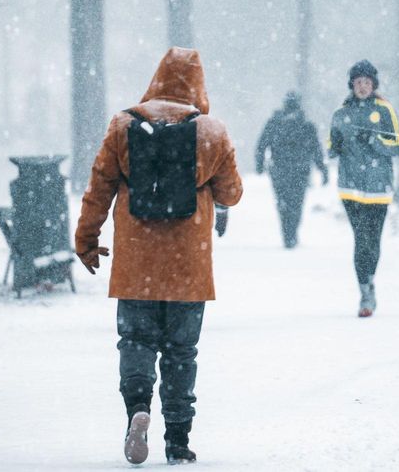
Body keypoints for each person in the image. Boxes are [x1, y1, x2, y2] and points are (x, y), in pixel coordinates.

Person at [74, 47, 243, 466]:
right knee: (181, 353)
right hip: (190, 266)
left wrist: (87, 239)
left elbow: (99, 187)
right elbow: (231, 194)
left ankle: (137, 410)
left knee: (135, 341)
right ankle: (179, 441)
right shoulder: (211, 132)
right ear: (198, 85)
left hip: (136, 265)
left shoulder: (123, 125)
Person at [328, 59, 399, 317]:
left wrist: (375, 141)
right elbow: (330, 147)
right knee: (361, 239)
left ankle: (369, 278)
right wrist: (334, 147)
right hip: (350, 188)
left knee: (373, 240)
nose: (362, 87)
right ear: (352, 85)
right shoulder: (340, 112)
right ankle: (365, 291)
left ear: (374, 85)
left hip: (378, 187)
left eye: (367, 82)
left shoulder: (384, 110)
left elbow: (398, 145)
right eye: (358, 82)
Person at [255, 91, 329, 248]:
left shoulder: (276, 123)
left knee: (285, 203)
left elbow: (261, 146)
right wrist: (323, 170)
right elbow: (317, 150)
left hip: (282, 170)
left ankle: (289, 234)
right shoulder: (305, 125)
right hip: (298, 170)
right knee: (296, 203)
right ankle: (291, 234)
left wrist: (260, 165)